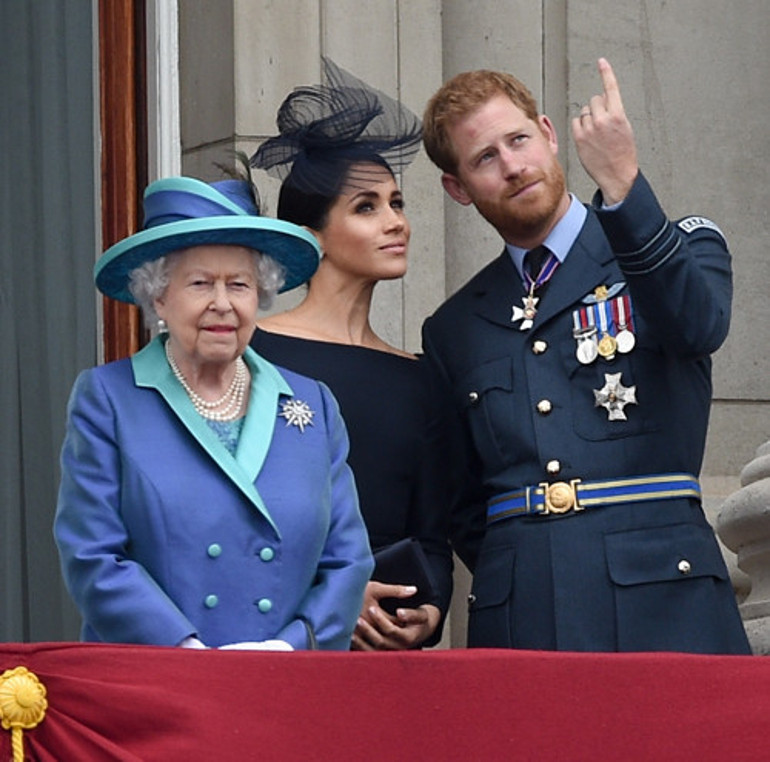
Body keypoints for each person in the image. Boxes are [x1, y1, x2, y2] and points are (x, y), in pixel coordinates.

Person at [420, 57, 751, 653]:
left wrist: (624, 185)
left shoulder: (672, 245)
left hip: (664, 604)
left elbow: (699, 326)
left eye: (518, 140)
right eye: (484, 158)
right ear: (458, 189)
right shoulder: (454, 327)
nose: (513, 166)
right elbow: (465, 502)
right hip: (523, 613)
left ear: (548, 133)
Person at [54, 174, 373, 651]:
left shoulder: (314, 405)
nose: (222, 304)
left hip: (287, 681)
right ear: (159, 296)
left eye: (239, 284)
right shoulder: (108, 399)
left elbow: (348, 561)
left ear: (259, 296)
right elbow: (93, 555)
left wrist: (289, 647)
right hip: (162, 681)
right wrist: (187, 652)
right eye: (201, 283)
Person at [249, 58, 453, 650]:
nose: (396, 223)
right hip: (279, 646)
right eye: (366, 207)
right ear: (313, 235)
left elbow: (434, 537)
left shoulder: (422, 376)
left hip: (390, 664)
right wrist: (333, 594)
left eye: (397, 202)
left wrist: (431, 610)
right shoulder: (253, 352)